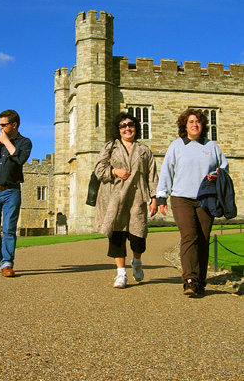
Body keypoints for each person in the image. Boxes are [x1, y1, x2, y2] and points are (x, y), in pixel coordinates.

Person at [156, 108, 228, 295]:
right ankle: (189, 279)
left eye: (197, 121)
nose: (194, 124)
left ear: (202, 125)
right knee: (189, 236)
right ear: (185, 126)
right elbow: (167, 172)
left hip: (206, 199)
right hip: (182, 198)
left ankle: (200, 281)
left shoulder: (211, 146)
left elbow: (224, 168)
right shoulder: (177, 146)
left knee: (203, 239)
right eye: (190, 122)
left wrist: (216, 175)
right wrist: (161, 196)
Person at [94, 113, 158, 288]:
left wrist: (154, 198)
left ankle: (136, 261)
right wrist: (115, 172)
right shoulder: (110, 147)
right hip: (114, 199)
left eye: (130, 125)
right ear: (118, 129)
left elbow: (152, 176)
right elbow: (99, 170)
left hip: (137, 199)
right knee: (117, 236)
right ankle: (121, 274)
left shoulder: (144, 151)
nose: (127, 128)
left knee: (138, 238)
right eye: (123, 125)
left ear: (136, 128)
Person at [0, 110, 32, 277]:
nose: (0, 128)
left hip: (11, 191)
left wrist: (7, 142)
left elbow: (19, 159)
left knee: (9, 229)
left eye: (3, 125)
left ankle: (7, 263)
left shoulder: (24, 142)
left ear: (14, 125)